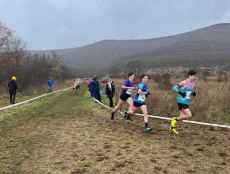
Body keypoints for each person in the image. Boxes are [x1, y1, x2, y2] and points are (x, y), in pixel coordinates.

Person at [170, 70, 198, 134]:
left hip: (186, 101)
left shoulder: (193, 83)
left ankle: (172, 127)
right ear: (190, 76)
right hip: (181, 100)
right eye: (194, 76)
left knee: (181, 117)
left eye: (195, 76)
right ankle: (174, 119)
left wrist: (193, 93)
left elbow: (189, 90)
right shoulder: (184, 82)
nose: (195, 77)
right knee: (189, 115)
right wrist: (180, 92)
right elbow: (174, 87)